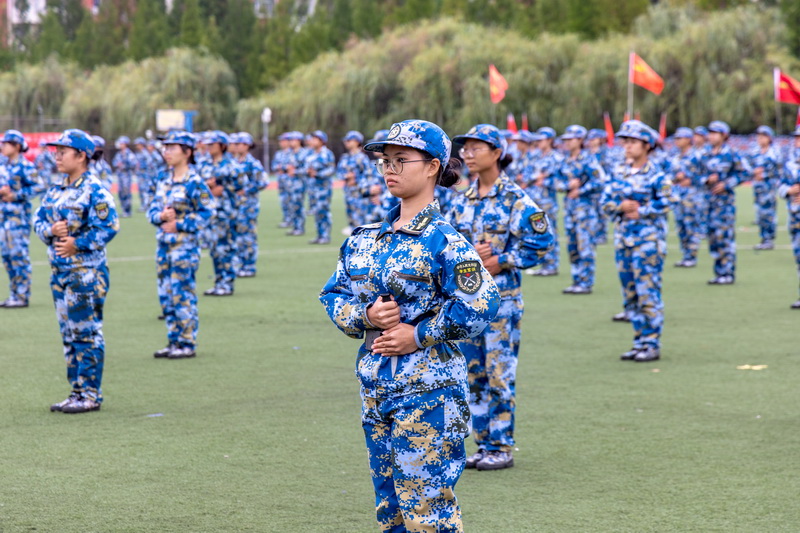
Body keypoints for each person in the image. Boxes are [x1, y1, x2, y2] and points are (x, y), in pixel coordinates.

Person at [320, 119, 500, 532]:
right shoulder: (364, 238)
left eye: (401, 160)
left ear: (433, 166)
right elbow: (333, 294)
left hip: (429, 391)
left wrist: (418, 334)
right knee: (391, 511)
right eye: (385, 161)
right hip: (376, 387)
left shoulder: (444, 241)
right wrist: (365, 317)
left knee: (427, 514)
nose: (390, 169)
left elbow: (482, 305)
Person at [447, 124, 555, 470]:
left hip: (501, 302)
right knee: (474, 375)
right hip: (468, 303)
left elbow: (542, 240)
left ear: (497, 153)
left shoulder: (514, 198)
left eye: (476, 148)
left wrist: (502, 259)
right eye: (465, 149)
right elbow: (449, 242)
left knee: (498, 375)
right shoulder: (464, 198)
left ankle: (501, 446)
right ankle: (483, 444)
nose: (467, 154)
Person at [35, 129, 119, 413]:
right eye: (56, 151)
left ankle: (91, 394)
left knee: (86, 333)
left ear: (81, 156)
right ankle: (77, 391)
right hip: (60, 273)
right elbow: (38, 220)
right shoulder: (56, 190)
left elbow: (109, 226)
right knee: (69, 335)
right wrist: (51, 230)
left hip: (86, 274)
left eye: (63, 152)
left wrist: (77, 244)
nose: (57, 156)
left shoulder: (95, 190)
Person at [602, 121, 675, 363]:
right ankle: (638, 342)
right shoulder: (618, 172)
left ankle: (651, 343)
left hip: (648, 243)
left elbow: (669, 200)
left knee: (647, 294)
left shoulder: (656, 174)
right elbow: (604, 202)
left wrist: (643, 210)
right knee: (630, 295)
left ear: (647, 146)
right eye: (626, 142)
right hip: (624, 241)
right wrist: (620, 206)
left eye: (633, 142)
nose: (627, 147)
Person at [148, 131, 214, 359]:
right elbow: (152, 209)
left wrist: (181, 224)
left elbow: (208, 212)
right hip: (164, 246)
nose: (166, 152)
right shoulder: (163, 179)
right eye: (165, 148)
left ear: (187, 152)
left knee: (182, 295)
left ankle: (186, 342)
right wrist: (160, 216)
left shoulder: (194, 182)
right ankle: (173, 340)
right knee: (166, 295)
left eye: (172, 148)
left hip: (184, 248)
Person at [697, 121, 750, 285]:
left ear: (724, 136)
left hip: (725, 205)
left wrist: (726, 184)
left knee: (725, 238)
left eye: (715, 133)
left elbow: (745, 173)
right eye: (710, 133)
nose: (711, 136)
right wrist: (706, 180)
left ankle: (727, 273)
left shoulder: (731, 154)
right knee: (713, 238)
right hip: (708, 203)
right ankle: (719, 272)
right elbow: (693, 175)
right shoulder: (703, 154)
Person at [556, 125, 607, 294]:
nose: (567, 142)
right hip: (570, 209)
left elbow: (600, 181)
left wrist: (581, 190)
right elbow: (555, 181)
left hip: (585, 210)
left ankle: (586, 282)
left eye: (570, 139)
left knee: (585, 246)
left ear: (580, 140)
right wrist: (567, 186)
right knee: (572, 247)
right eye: (566, 140)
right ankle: (576, 280)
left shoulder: (588, 159)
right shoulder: (565, 160)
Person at [198, 131, 246, 296]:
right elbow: (197, 186)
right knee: (214, 249)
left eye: (212, 144)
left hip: (226, 213)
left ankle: (227, 283)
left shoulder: (232, 165)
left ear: (222, 146)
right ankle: (219, 282)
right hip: (209, 213)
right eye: (207, 144)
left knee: (225, 248)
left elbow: (242, 185)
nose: (208, 147)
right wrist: (208, 187)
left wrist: (224, 189)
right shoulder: (203, 164)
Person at [0, 129, 42, 308]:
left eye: (6, 143)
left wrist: (16, 195)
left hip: (18, 219)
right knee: (7, 257)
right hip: (3, 218)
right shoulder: (3, 165)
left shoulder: (25, 166)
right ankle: (14, 294)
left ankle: (22, 295)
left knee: (19, 256)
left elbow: (39, 186)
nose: (3, 147)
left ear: (17, 146)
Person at [230, 132, 268, 277]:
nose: (235, 146)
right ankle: (240, 264)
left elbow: (263, 182)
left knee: (248, 236)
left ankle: (249, 266)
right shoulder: (235, 161)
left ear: (247, 146)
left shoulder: (252, 163)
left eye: (238, 144)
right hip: (236, 204)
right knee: (238, 235)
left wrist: (246, 190)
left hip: (248, 205)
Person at [528, 127, 564, 276]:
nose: (539, 142)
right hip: (535, 200)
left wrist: (544, 180)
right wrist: (537, 178)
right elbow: (527, 175)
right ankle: (544, 264)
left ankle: (552, 265)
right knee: (538, 232)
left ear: (549, 140)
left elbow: (560, 180)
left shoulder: (556, 157)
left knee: (550, 231)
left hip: (548, 201)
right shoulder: (535, 156)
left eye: (541, 140)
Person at [748, 125, 782, 251]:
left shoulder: (774, 152)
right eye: (759, 136)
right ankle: (764, 238)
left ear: (769, 138)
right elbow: (747, 166)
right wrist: (753, 172)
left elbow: (780, 170)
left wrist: (764, 174)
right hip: (758, 188)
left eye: (763, 136)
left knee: (768, 214)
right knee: (760, 213)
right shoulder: (754, 152)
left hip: (769, 187)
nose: (760, 139)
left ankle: (769, 239)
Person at [780, 125, 800, 309]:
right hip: (795, 218)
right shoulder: (790, 162)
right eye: (797, 138)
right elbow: (781, 186)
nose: (798, 141)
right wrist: (788, 190)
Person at [304, 130, 336, 244]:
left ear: (322, 141)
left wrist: (318, 174)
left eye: (315, 139)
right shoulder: (311, 154)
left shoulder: (327, 154)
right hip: (313, 188)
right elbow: (306, 168)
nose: (312, 141)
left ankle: (326, 236)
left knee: (323, 211)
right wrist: (308, 172)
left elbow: (331, 170)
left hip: (323, 188)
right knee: (316, 212)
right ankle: (319, 235)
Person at [112, 136, 136, 217]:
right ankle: (123, 209)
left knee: (126, 192)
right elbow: (114, 162)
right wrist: (117, 164)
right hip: (120, 175)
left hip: (126, 175)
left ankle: (127, 210)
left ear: (125, 144)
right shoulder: (119, 154)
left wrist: (125, 165)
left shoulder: (129, 154)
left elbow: (133, 164)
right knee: (120, 192)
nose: (120, 145)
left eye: (122, 143)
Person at [272, 133, 292, 228]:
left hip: (291, 181)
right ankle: (286, 219)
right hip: (281, 181)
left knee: (291, 201)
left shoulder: (292, 153)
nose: (281, 143)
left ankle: (292, 220)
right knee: (283, 200)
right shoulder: (278, 154)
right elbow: (274, 166)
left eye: (283, 141)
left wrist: (282, 168)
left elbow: (291, 167)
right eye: (280, 141)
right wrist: (282, 168)